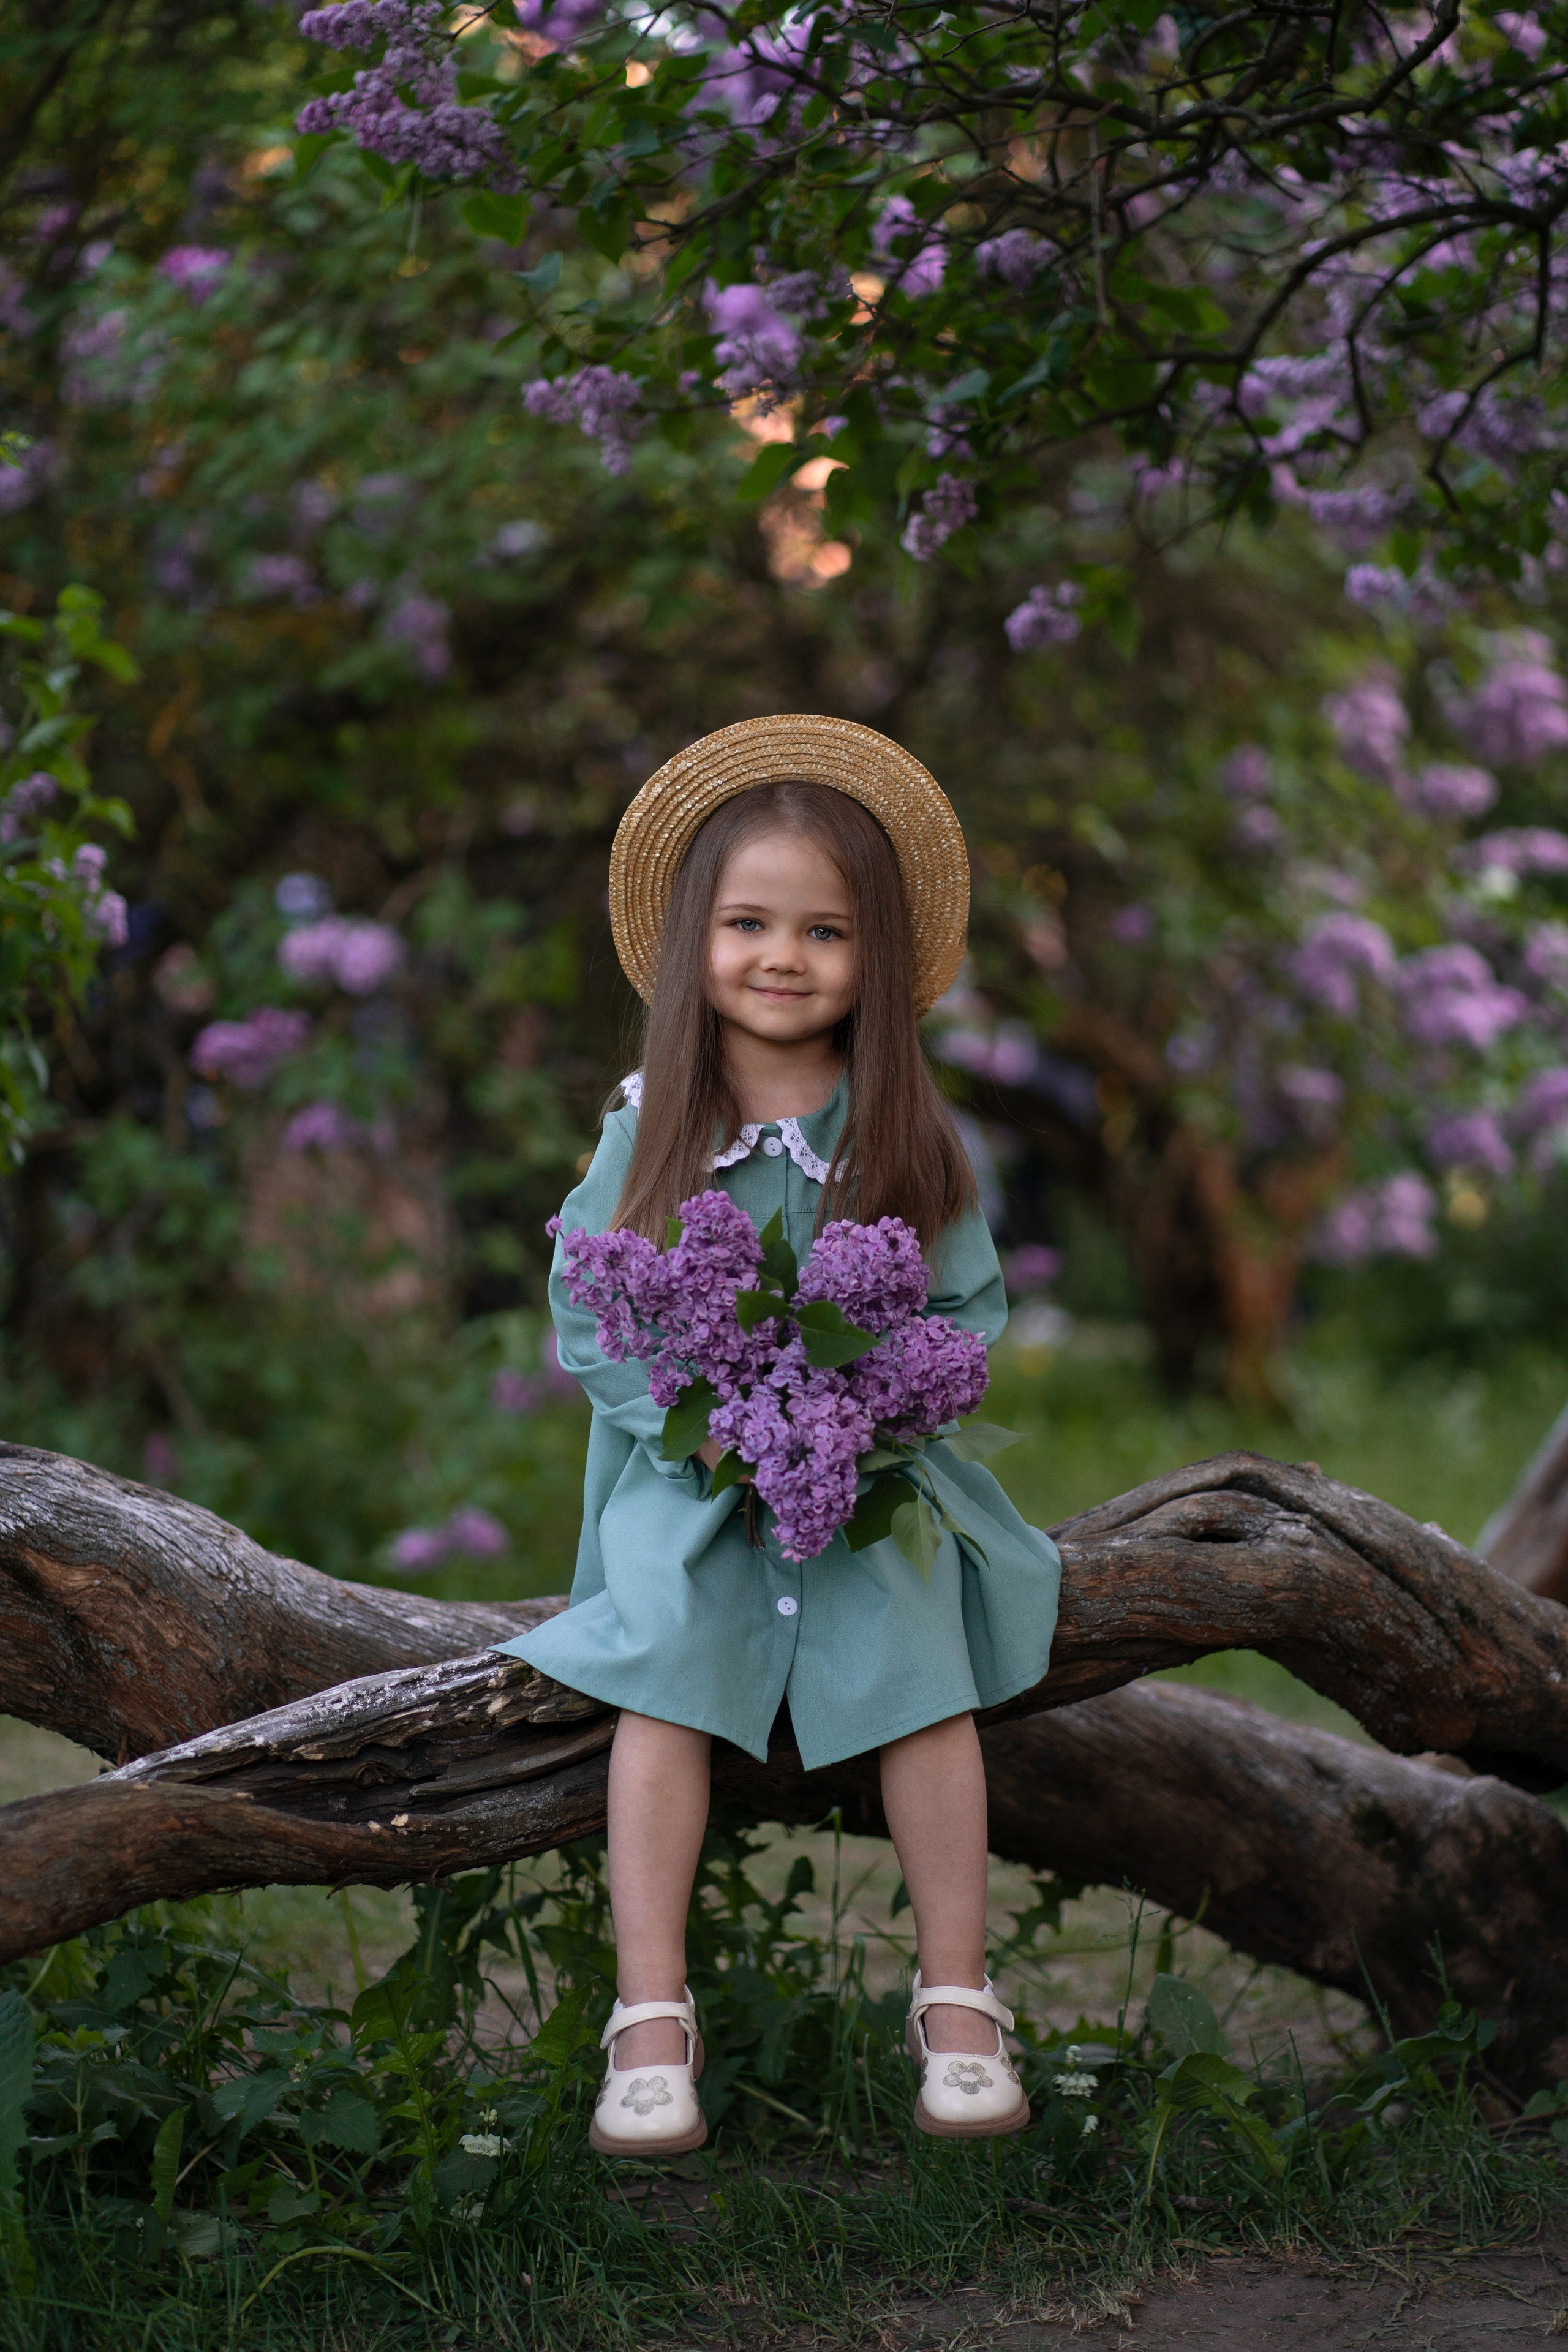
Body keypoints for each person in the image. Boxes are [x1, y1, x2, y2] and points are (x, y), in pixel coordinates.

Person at [493, 715, 1061, 2155]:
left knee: (922, 1668)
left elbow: (963, 1306)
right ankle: (649, 2017)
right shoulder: (651, 1126)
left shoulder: (900, 1130)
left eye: (824, 931)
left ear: (877, 957)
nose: (781, 957)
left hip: (862, 1475)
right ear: (693, 940)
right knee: (663, 1667)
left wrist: (871, 1413)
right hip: (692, 1478)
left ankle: (955, 1999)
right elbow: (590, 1311)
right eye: (747, 924)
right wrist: (705, 1439)